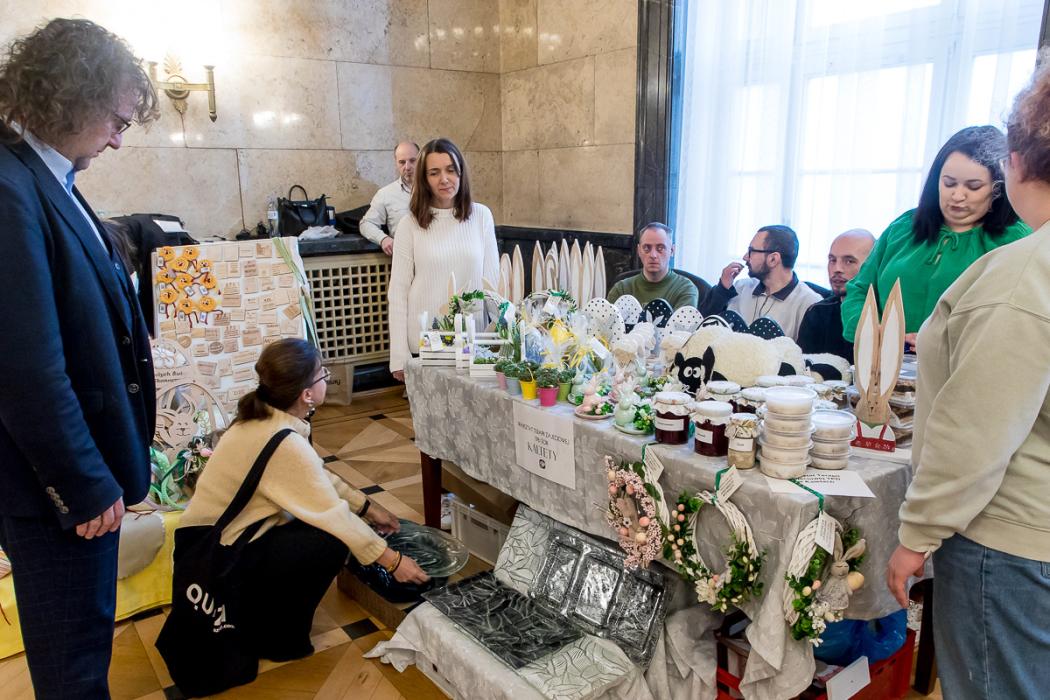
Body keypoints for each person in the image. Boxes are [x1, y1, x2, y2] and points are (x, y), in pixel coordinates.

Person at [0, 18, 159, 698]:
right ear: (73, 96)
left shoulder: (45, 173)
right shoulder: (9, 185)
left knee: (85, 647)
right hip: (58, 489)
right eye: (117, 121)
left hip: (86, 466)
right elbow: (23, 366)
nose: (119, 140)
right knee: (73, 668)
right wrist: (83, 482)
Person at [886, 61, 1050, 699]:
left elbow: (976, 428)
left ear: (1014, 166)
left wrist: (916, 535)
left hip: (1006, 539)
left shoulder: (1022, 275)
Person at [179, 339, 428, 667]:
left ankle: (266, 617)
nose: (327, 378)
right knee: (330, 540)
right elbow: (332, 514)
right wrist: (393, 562)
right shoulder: (283, 441)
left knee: (323, 529)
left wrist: (367, 508)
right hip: (222, 554)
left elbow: (315, 476)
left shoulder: (265, 417)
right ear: (306, 394)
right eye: (322, 373)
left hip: (217, 538)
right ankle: (280, 639)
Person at [842, 125, 1030, 350]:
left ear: (998, 188)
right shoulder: (904, 227)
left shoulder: (1015, 241)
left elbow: (1018, 321)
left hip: (961, 367)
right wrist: (874, 331)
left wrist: (939, 343)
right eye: (949, 183)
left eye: (973, 187)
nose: (957, 195)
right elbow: (859, 290)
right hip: (884, 362)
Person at [388, 138, 499, 381]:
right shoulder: (409, 224)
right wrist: (398, 355)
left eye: (451, 170)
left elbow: (492, 285)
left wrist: (501, 338)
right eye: (434, 173)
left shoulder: (481, 216)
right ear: (424, 179)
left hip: (473, 341)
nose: (444, 179)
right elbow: (398, 292)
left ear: (461, 173)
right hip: (426, 343)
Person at [700, 225, 822, 340]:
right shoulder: (739, 288)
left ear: (773, 259)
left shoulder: (809, 303)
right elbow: (699, 329)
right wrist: (722, 289)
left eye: (751, 251)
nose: (745, 257)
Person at [796, 228, 875, 359]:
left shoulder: (885, 313)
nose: (837, 269)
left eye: (849, 261)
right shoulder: (817, 312)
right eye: (832, 260)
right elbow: (803, 367)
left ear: (872, 266)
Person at [606, 222, 699, 309]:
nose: (653, 255)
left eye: (660, 248)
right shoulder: (621, 289)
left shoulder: (685, 289)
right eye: (647, 248)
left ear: (672, 250)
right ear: (639, 251)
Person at [360, 141, 419, 255]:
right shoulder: (385, 194)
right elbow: (366, 224)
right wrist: (382, 239)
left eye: (412, 160)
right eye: (402, 162)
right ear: (396, 163)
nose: (407, 167)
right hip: (403, 257)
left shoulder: (435, 190)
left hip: (434, 258)